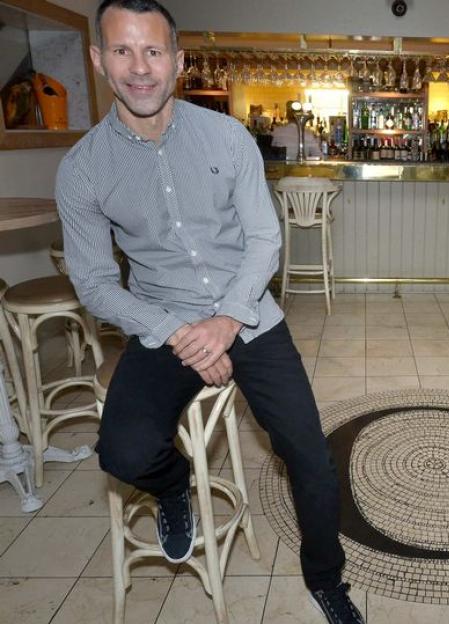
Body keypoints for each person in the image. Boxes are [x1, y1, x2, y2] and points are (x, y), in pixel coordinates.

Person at [55, 2, 362, 622]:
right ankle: (174, 487)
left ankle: (327, 580)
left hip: (248, 314)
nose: (139, 68)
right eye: (122, 51)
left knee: (310, 455)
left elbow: (263, 239)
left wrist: (225, 322)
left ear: (178, 60)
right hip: (161, 323)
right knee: (123, 451)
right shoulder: (83, 169)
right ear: (97, 60)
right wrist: (176, 331)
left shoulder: (226, 136)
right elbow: (92, 281)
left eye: (153, 51)